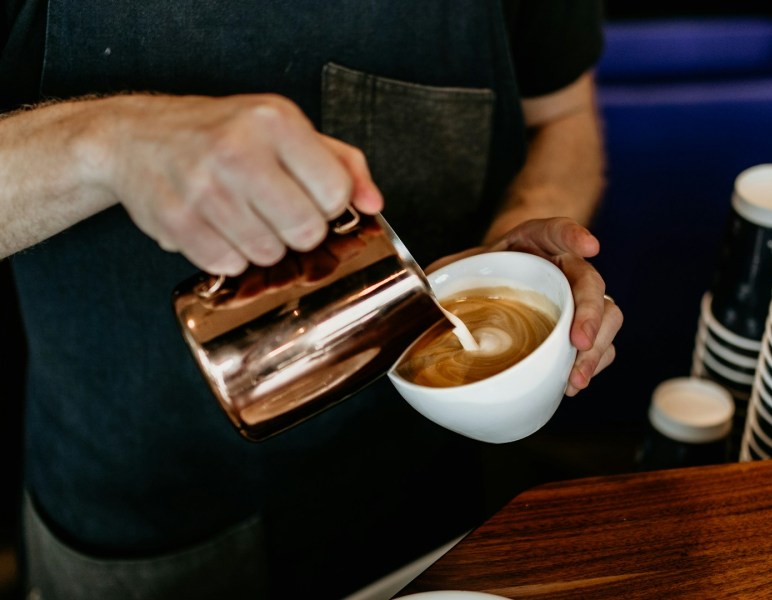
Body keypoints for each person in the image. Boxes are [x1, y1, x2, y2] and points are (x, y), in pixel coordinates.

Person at [0, 1, 623, 598]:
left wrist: (512, 256)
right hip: (143, 510)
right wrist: (106, 143)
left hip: (422, 480)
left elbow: (562, 118)